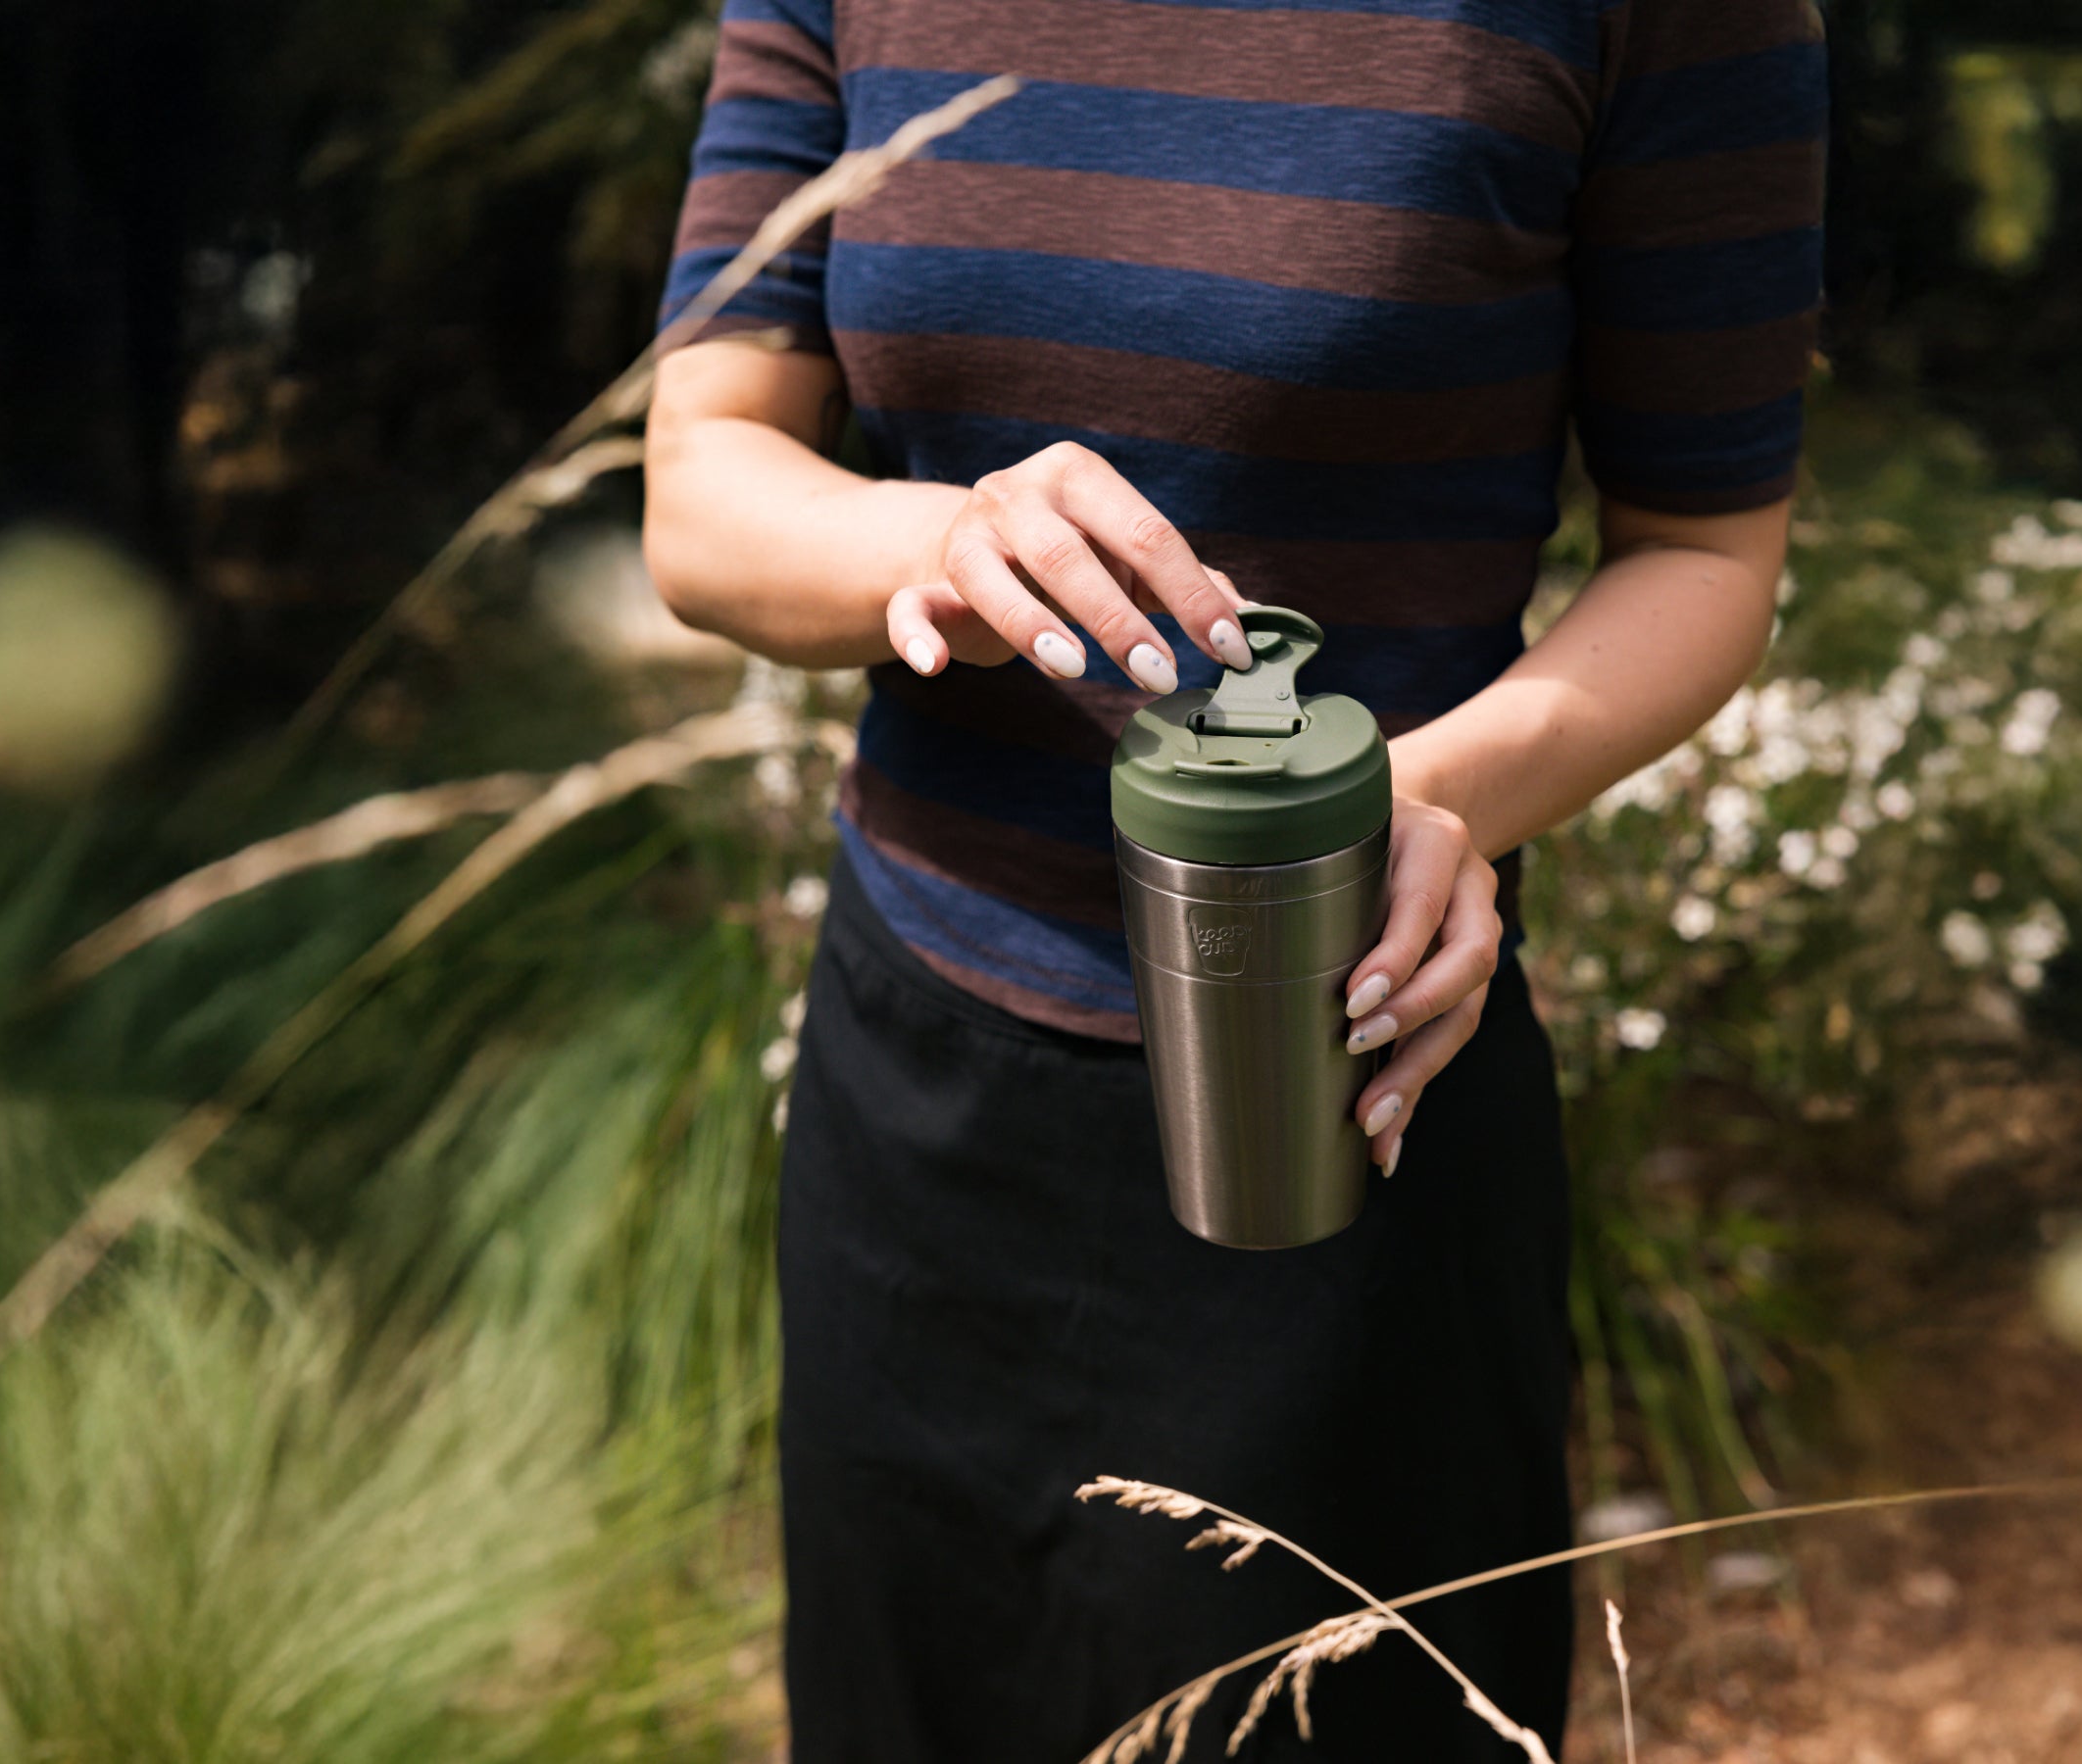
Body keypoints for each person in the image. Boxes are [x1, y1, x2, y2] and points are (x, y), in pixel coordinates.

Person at [642, 1, 1821, 1756]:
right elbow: (703, 490)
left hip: (1351, 1093)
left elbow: (1709, 553)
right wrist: (944, 542)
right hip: (922, 1111)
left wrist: (1409, 806)